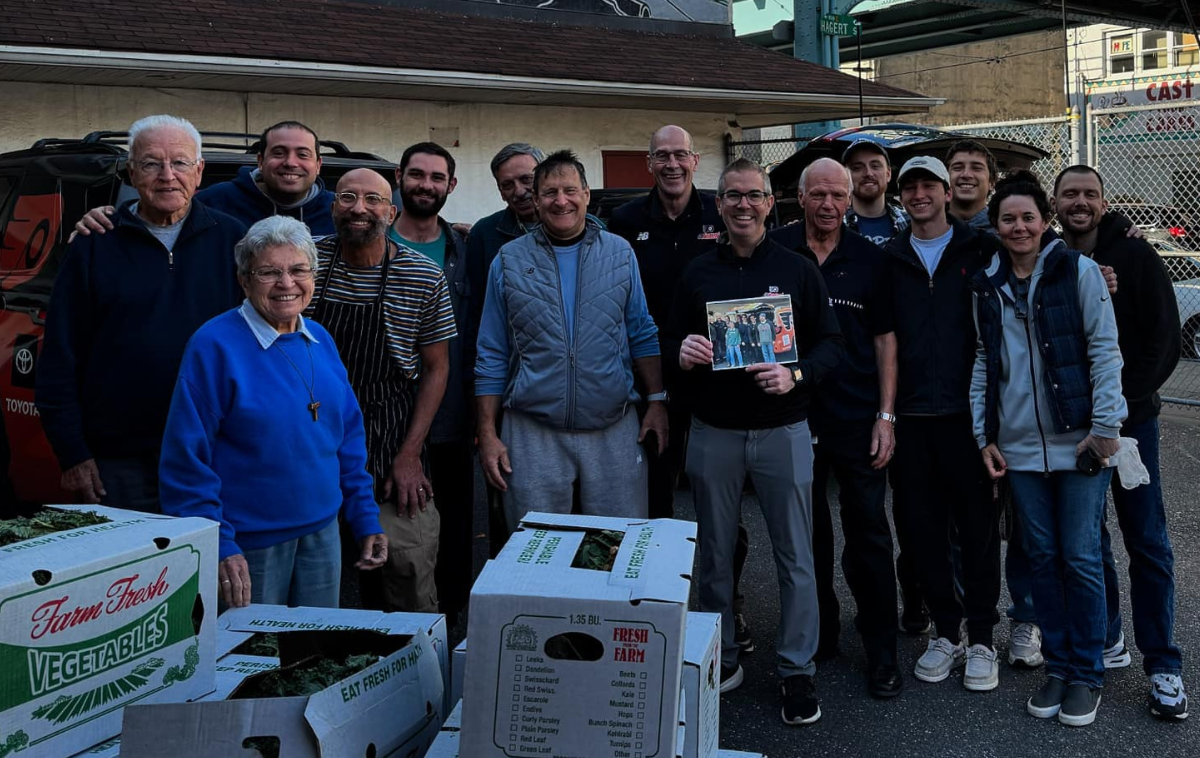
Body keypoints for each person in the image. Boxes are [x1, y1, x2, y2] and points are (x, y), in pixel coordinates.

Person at [666, 157, 844, 725]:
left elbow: (831, 348)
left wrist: (796, 374)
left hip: (783, 430)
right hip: (713, 432)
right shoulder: (697, 274)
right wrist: (684, 352)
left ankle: (797, 671)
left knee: (796, 556)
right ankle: (723, 655)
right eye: (733, 196)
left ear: (771, 204)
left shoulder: (796, 270)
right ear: (718, 205)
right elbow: (669, 341)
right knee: (714, 556)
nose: (744, 205)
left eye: (754, 196)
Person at [159, 215, 387, 608]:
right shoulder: (214, 346)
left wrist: (364, 515)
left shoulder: (320, 340)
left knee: (314, 655)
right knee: (253, 660)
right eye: (269, 272)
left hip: (322, 534)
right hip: (249, 546)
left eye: (299, 270)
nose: (287, 284)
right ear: (244, 280)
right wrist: (219, 542)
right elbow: (186, 461)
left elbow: (347, 437)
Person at [970, 170, 1126, 726]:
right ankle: (1057, 666)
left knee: (1081, 558)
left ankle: (1086, 672)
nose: (1018, 227)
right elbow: (986, 362)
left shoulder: (1078, 272)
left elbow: (1105, 350)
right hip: (1018, 451)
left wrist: (1106, 428)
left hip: (1081, 442)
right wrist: (983, 435)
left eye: (1028, 217)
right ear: (995, 226)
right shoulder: (987, 284)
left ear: (1045, 222)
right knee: (1040, 559)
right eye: (1007, 218)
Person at [36, 114, 245, 511]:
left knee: (213, 565)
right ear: (132, 173)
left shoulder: (233, 239)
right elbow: (59, 357)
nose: (167, 175)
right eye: (151, 163)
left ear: (199, 172)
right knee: (134, 573)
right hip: (118, 461)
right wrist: (72, 452)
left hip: (214, 449)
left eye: (180, 162)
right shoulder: (94, 243)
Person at [1052, 165, 1188, 720]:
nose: (1079, 202)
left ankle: (1164, 666)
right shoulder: (1052, 257)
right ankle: (1109, 636)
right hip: (1071, 428)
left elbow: (1165, 341)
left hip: (1131, 425)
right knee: (1090, 540)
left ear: (1104, 203)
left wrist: (1120, 410)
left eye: (1089, 194)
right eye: (1070, 194)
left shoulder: (1136, 256)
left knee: (1147, 540)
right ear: (1055, 203)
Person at [475, 150, 667, 529]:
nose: (560, 201)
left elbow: (641, 332)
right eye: (548, 192)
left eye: (569, 190)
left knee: (616, 546)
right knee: (535, 548)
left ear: (586, 194)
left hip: (613, 423)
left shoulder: (619, 253)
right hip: (532, 428)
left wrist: (657, 402)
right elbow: (492, 350)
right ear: (536, 199)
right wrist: (486, 431)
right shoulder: (508, 260)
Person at [769, 157, 901, 699]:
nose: (828, 205)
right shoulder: (773, 251)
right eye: (817, 194)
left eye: (837, 196)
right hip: (791, 418)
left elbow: (886, 341)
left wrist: (886, 417)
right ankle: (818, 633)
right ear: (798, 198)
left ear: (850, 201)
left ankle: (881, 648)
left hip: (856, 420)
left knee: (868, 534)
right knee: (807, 537)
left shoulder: (872, 260)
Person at [309, 168, 456, 614]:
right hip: (314, 432)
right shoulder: (306, 264)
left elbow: (436, 370)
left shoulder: (423, 275)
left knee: (408, 566)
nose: (359, 209)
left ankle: (419, 674)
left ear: (391, 213)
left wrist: (411, 454)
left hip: (391, 432)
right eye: (347, 198)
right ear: (332, 207)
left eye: (372, 200)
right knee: (315, 572)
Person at [883, 156, 1004, 691]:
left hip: (968, 420)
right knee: (922, 533)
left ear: (947, 190)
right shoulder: (888, 258)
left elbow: (1042, 253)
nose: (920, 195)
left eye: (928, 184)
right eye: (910, 187)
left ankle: (982, 637)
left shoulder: (981, 250)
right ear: (901, 196)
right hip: (911, 419)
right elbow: (880, 339)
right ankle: (946, 632)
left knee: (979, 532)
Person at [609, 125, 724, 520]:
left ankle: (724, 583)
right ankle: (655, 580)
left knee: (721, 493)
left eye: (680, 155)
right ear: (649, 163)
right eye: (662, 155)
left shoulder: (721, 211)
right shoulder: (624, 220)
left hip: (714, 371)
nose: (672, 164)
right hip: (652, 375)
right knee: (656, 489)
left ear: (695, 161)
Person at [388, 142, 476, 626]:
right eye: (417, 175)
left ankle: (452, 631)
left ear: (451, 186)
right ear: (399, 177)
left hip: (451, 422)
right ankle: (395, 635)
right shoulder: (370, 244)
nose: (426, 185)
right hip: (384, 423)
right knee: (390, 542)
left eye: (437, 177)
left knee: (454, 535)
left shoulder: (465, 250)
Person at [74, 120, 337, 238]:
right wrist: (110, 216)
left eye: (302, 154)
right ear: (259, 161)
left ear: (318, 164)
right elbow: (161, 218)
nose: (291, 162)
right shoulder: (217, 203)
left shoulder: (341, 211)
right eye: (279, 153)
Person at [841, 139, 908, 245]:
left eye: (875, 166)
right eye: (857, 168)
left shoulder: (910, 222)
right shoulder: (835, 226)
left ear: (888, 174)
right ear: (845, 177)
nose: (868, 173)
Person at [945, 140, 997, 232]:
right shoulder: (921, 228)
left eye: (976, 168)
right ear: (945, 179)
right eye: (957, 168)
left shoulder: (1005, 233)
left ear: (991, 183)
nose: (966, 174)